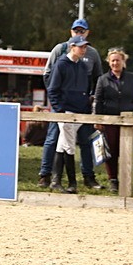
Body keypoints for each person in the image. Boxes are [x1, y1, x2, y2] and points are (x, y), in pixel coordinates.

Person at [39, 18, 104, 189]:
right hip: (63, 108)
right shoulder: (59, 52)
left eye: (82, 31)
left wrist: (89, 100)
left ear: (87, 32)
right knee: (55, 141)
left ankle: (78, 178)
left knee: (79, 141)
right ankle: (50, 176)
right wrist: (58, 105)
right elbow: (48, 78)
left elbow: (96, 79)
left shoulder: (91, 56)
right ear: (71, 34)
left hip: (81, 109)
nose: (79, 33)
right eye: (76, 30)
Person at [47, 35, 94, 193]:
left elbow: (86, 89)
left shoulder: (82, 67)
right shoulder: (61, 64)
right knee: (69, 146)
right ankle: (72, 182)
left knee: (62, 145)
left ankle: (56, 180)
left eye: (85, 47)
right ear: (72, 46)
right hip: (66, 111)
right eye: (81, 47)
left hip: (79, 111)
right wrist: (60, 110)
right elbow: (52, 89)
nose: (83, 50)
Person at [93, 48, 133, 192]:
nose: (115, 63)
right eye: (113, 60)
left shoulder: (132, 78)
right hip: (110, 120)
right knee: (111, 151)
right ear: (109, 62)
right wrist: (98, 119)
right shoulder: (102, 79)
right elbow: (98, 100)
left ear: (123, 61)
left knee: (126, 151)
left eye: (118, 60)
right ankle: (113, 179)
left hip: (128, 119)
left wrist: (131, 107)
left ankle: (126, 180)